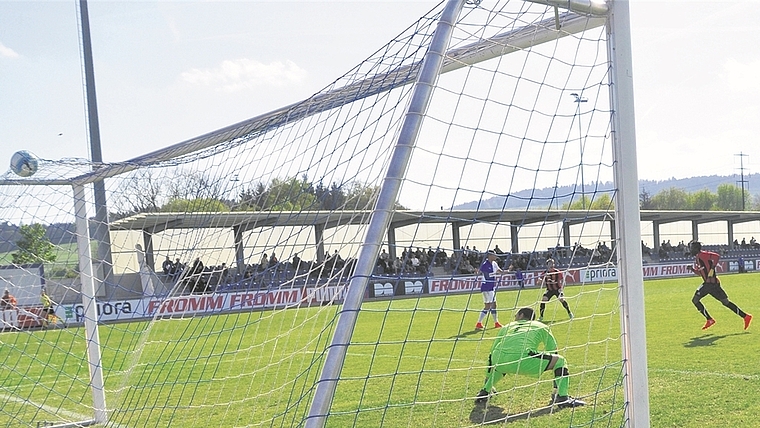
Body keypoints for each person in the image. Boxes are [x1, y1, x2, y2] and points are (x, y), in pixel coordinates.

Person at [475, 307, 586, 408]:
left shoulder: (507, 326)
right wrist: (555, 379)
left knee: (501, 364)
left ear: (521, 315)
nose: (515, 318)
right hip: (523, 359)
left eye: (516, 315)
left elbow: (492, 352)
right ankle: (562, 397)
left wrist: (487, 376)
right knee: (560, 361)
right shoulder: (542, 326)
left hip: (498, 358)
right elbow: (553, 350)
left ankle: (484, 391)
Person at [687, 241, 752, 330]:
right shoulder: (698, 258)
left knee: (695, 300)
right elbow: (700, 273)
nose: (690, 250)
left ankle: (709, 320)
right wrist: (692, 269)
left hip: (710, 284)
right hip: (712, 285)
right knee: (726, 302)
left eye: (691, 248)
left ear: (696, 249)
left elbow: (717, 256)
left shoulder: (703, 255)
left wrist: (713, 268)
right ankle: (745, 316)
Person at [475, 251, 505, 329]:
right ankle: (496, 323)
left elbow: (499, 271)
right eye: (494, 255)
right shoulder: (485, 265)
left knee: (488, 306)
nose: (495, 256)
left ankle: (479, 323)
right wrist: (495, 273)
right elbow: (487, 276)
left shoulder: (494, 263)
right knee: (493, 304)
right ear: (489, 256)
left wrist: (506, 271)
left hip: (491, 286)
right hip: (486, 287)